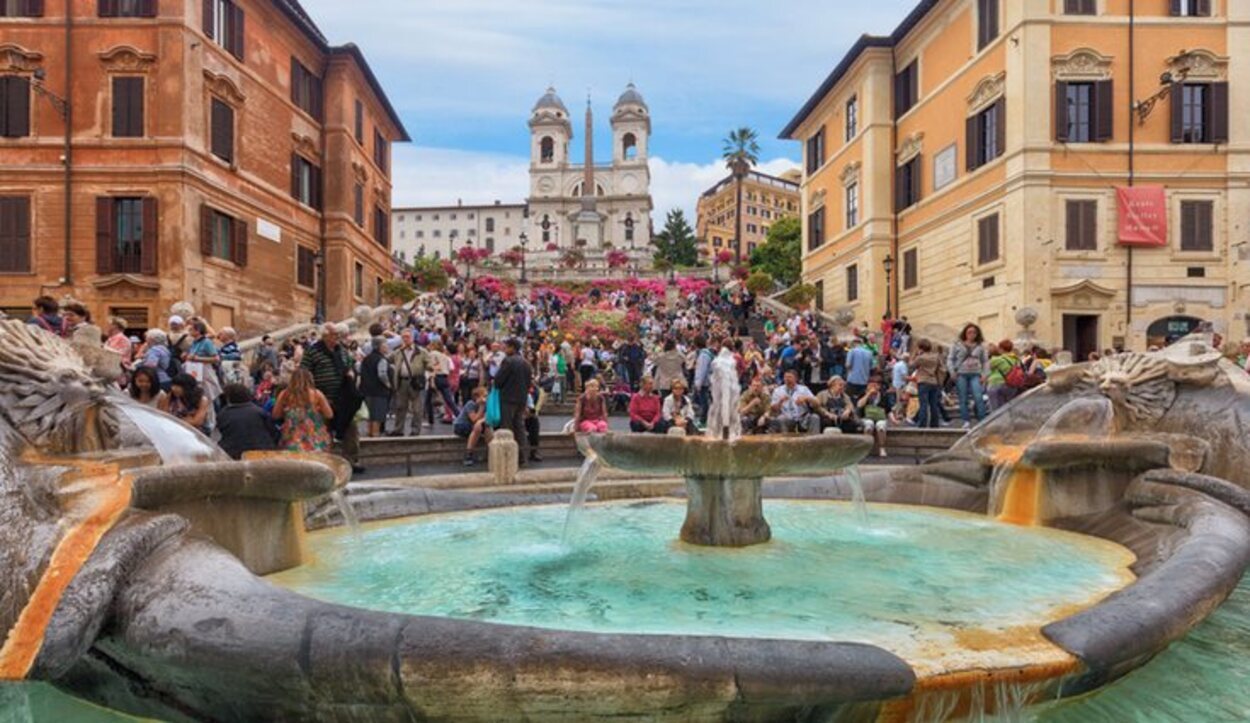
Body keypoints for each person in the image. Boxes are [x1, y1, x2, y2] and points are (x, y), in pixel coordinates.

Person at [302, 323, 362, 471]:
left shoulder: (341, 350)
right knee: (324, 431)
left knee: (351, 430)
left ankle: (351, 461)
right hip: (322, 399)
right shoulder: (312, 351)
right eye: (334, 334)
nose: (337, 337)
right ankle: (325, 463)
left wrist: (350, 372)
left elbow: (349, 364)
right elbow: (303, 373)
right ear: (325, 335)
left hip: (343, 398)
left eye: (337, 334)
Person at [272, 368, 335, 453]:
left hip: (291, 438)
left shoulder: (285, 394)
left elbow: (275, 415)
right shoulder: (317, 394)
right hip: (314, 438)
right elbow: (329, 414)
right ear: (310, 379)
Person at [493, 337, 533, 464]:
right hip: (521, 398)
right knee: (520, 427)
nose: (504, 348)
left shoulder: (508, 361)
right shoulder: (526, 363)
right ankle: (522, 457)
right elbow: (528, 383)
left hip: (508, 398)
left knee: (507, 427)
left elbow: (498, 380)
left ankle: (507, 457)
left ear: (512, 348)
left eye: (506, 346)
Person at [215, 383, 278, 460]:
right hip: (261, 452)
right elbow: (273, 432)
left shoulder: (223, 414)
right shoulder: (260, 412)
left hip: (233, 453)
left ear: (228, 398)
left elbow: (222, 430)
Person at [389, 330, 429, 437]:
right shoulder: (398, 352)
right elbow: (388, 359)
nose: (405, 339)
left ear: (412, 338)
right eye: (403, 337)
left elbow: (429, 363)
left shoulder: (421, 351)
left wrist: (433, 369)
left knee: (417, 408)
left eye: (407, 337)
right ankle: (398, 429)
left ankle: (415, 430)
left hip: (415, 382)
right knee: (400, 406)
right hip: (402, 381)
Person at [947, 323, 989, 428]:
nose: (971, 334)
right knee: (963, 398)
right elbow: (950, 359)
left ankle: (982, 420)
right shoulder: (957, 344)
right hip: (961, 374)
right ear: (965, 333)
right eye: (969, 332)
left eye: (974, 332)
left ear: (977, 334)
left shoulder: (981, 346)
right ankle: (966, 420)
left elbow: (985, 362)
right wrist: (952, 372)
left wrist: (985, 375)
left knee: (978, 397)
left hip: (976, 374)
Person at [359, 336, 392, 438]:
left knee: (370, 415)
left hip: (366, 390)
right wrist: (388, 384)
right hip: (379, 391)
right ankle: (375, 435)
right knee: (377, 416)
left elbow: (360, 370)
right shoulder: (382, 359)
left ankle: (369, 433)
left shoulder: (366, 359)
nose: (387, 347)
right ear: (379, 347)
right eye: (385, 344)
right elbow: (382, 374)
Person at [769, 369, 820, 434]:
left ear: (796, 378)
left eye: (789, 377)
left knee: (815, 417)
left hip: (803, 417)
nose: (787, 379)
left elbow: (817, 403)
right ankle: (785, 442)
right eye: (785, 377)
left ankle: (814, 441)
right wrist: (780, 402)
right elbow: (773, 409)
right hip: (788, 417)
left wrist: (806, 398)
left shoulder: (803, 389)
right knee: (780, 418)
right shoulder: (778, 390)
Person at [454, 386, 492, 466]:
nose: (486, 398)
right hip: (461, 425)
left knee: (486, 427)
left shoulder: (487, 405)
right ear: (477, 397)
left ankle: (492, 452)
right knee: (478, 427)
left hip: (474, 426)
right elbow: (474, 419)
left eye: (486, 396)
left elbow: (486, 418)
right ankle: (468, 454)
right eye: (484, 396)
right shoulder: (470, 404)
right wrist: (481, 407)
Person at [911, 339, 944, 429]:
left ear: (921, 347)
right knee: (933, 404)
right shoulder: (935, 357)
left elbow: (911, 365)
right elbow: (941, 368)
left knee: (923, 404)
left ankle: (922, 423)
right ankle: (934, 424)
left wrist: (915, 355)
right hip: (934, 381)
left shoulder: (921, 358)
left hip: (923, 381)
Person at [986, 338, 1021, 411]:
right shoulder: (1016, 359)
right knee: (1007, 409)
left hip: (996, 384)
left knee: (995, 411)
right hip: (1012, 386)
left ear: (1001, 349)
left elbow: (985, 368)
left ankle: (997, 422)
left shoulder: (997, 359)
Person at [857, 381, 889, 457]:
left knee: (881, 426)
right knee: (869, 425)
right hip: (866, 417)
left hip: (880, 417)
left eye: (876, 385)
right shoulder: (863, 394)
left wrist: (894, 420)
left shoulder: (883, 395)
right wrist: (868, 394)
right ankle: (866, 449)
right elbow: (859, 405)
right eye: (871, 385)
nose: (873, 387)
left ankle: (882, 448)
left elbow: (888, 409)